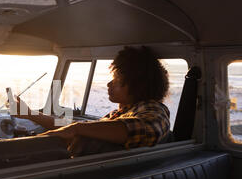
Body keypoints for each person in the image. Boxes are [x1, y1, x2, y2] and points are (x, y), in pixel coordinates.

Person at [14, 46, 171, 155]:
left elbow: (150, 128)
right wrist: (30, 114)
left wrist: (77, 128)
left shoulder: (154, 109)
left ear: (138, 85)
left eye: (117, 80)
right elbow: (71, 126)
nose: (109, 84)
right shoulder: (120, 114)